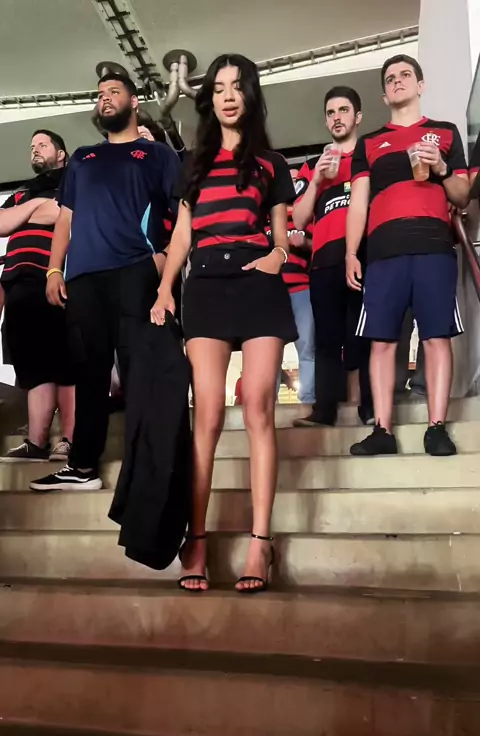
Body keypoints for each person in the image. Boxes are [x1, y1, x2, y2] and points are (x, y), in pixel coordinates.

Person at [151, 54, 296, 593]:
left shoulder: (271, 163)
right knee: (207, 412)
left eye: (237, 86)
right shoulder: (192, 163)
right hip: (207, 284)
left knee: (258, 403)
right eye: (219, 88)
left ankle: (261, 543)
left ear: (250, 95)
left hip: (258, 283)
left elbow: (280, 234)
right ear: (209, 98)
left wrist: (278, 256)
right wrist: (165, 289)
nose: (228, 96)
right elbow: (181, 236)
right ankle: (196, 540)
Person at [30, 73, 181, 491]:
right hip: (83, 279)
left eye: (114, 92)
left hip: (135, 271)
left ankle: (148, 470)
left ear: (134, 102)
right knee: (89, 372)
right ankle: (82, 467)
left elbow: (183, 214)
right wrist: (54, 269)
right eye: (100, 94)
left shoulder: (157, 155)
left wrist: (163, 263)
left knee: (140, 371)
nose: (105, 99)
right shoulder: (82, 158)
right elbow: (66, 217)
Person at [346, 54, 469, 457]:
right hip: (383, 253)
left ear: (420, 85)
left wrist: (442, 169)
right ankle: (382, 429)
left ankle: (437, 427)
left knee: (437, 337)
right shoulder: (368, 143)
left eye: (405, 75)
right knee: (381, 341)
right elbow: (358, 203)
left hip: (434, 247)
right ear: (384, 95)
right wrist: (351, 252)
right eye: (390, 78)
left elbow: (462, 196)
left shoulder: (445, 133)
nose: (397, 81)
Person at [292, 86, 373, 428]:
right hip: (323, 263)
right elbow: (298, 220)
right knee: (325, 340)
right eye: (330, 113)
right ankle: (324, 412)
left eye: (343, 110)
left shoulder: (369, 158)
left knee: (367, 336)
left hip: (363, 257)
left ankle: (370, 408)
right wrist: (316, 182)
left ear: (358, 117)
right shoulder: (313, 166)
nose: (336, 118)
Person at [0, 130, 75, 461]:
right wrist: (34, 205)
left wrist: (23, 214)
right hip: (18, 284)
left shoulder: (73, 182)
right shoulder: (21, 192)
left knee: (68, 362)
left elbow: (62, 214)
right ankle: (36, 442)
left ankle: (69, 440)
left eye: (43, 145)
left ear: (61, 153)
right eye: (32, 146)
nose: (35, 150)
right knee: (33, 367)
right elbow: (0, 223)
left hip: (60, 279)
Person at [266, 169, 315, 405]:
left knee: (307, 347)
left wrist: (304, 242)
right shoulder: (265, 215)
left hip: (302, 288)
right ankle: (269, 402)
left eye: (296, 179)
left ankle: (308, 400)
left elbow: (320, 245)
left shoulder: (306, 216)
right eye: (289, 178)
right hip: (271, 291)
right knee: (268, 351)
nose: (292, 182)